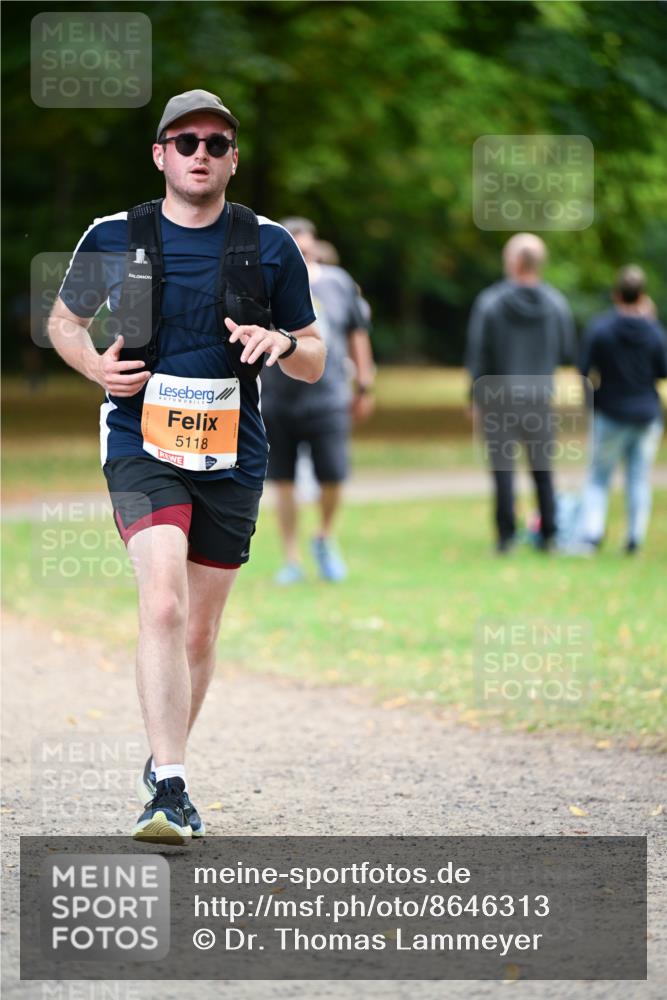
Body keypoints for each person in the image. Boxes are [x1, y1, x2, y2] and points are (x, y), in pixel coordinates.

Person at [47, 89, 325, 843]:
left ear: (233, 158)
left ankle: (163, 758)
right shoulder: (113, 235)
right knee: (162, 603)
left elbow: (313, 353)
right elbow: (63, 323)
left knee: (199, 632)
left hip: (233, 450)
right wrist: (94, 368)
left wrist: (284, 347)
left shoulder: (269, 244)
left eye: (216, 142)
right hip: (141, 440)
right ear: (160, 154)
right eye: (186, 140)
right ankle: (170, 788)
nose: (201, 153)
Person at [259, 218, 375, 583]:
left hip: (328, 396)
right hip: (278, 397)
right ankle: (291, 558)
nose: (302, 258)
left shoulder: (338, 283)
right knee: (283, 480)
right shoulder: (264, 283)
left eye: (306, 251)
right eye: (295, 251)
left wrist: (365, 384)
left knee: (333, 474)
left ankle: (323, 537)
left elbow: (357, 335)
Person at [465, 233, 575, 552]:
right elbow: (567, 349)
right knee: (543, 468)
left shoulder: (490, 302)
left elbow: (478, 354)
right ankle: (550, 535)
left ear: (514, 262)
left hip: (498, 397)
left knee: (503, 470)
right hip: (540, 396)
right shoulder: (556, 304)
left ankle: (505, 537)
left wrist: (473, 398)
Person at [577, 265, 667, 553]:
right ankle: (634, 537)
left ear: (617, 294)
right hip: (646, 415)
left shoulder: (602, 329)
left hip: (610, 412)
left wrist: (590, 403)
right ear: (642, 295)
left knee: (598, 476)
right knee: (638, 478)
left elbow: (583, 370)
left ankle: (592, 534)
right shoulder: (654, 331)